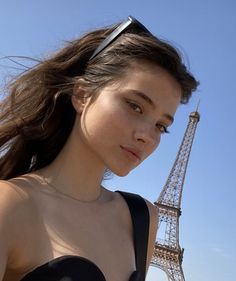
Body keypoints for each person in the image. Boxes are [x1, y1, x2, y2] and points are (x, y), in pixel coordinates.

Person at [0, 16, 198, 281]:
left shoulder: (142, 218)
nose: (147, 137)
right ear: (82, 95)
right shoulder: (11, 205)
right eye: (135, 106)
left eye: (161, 126)